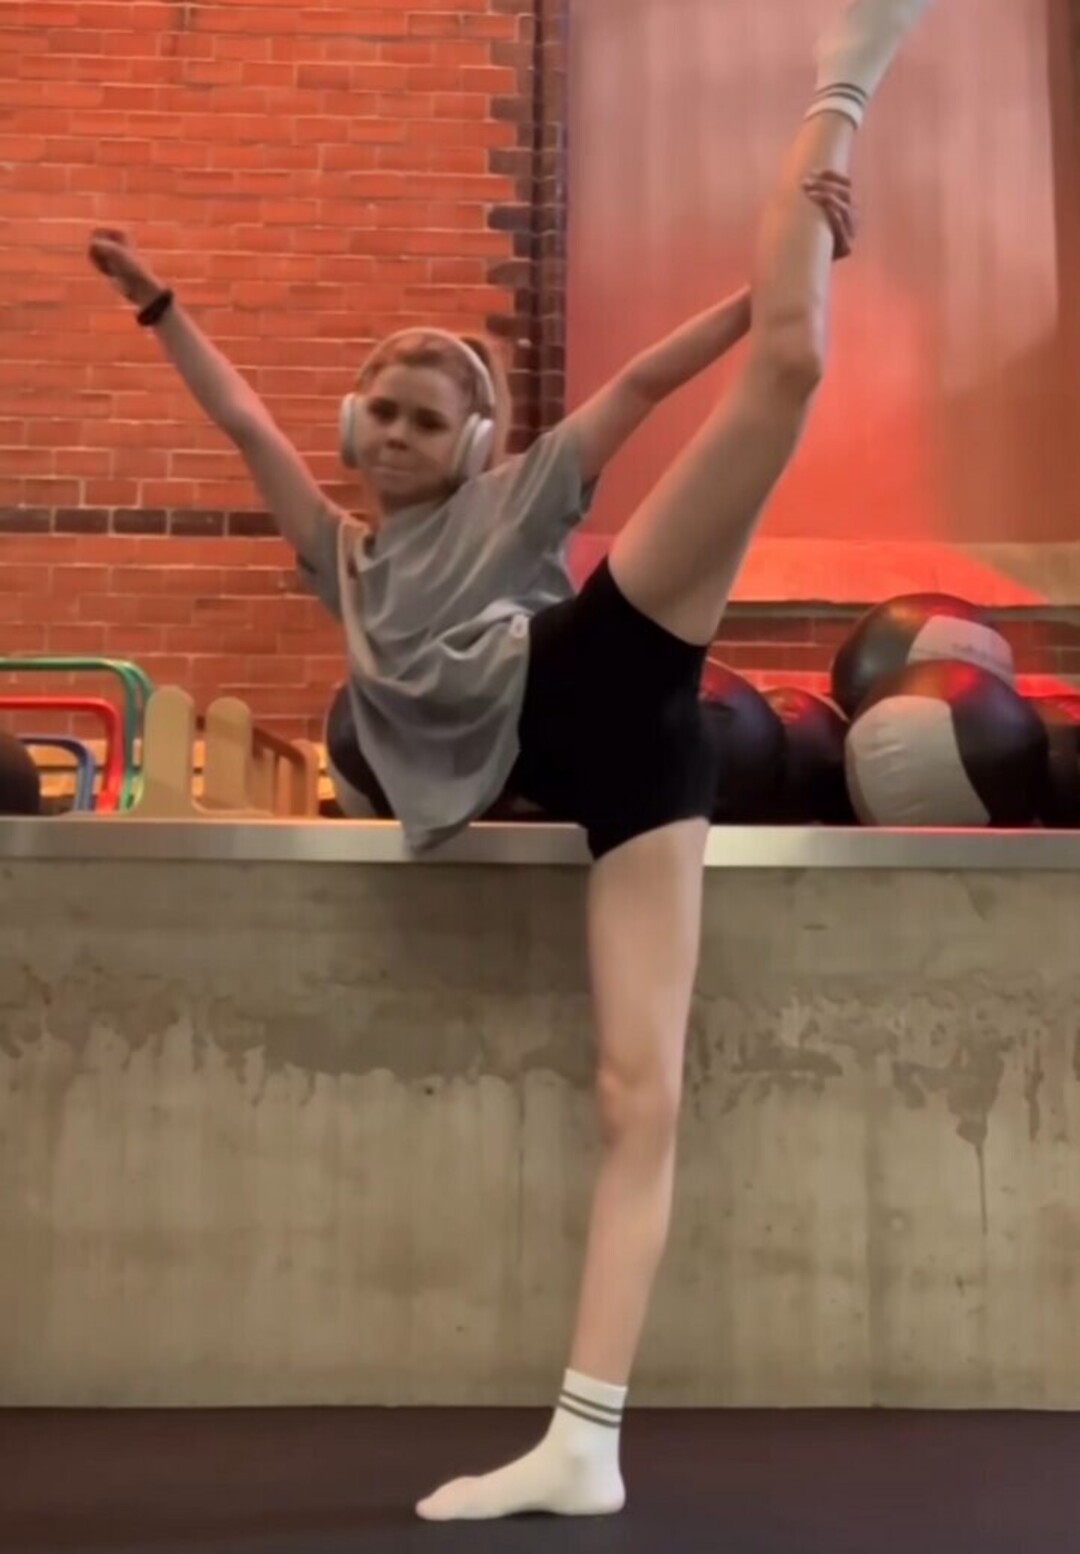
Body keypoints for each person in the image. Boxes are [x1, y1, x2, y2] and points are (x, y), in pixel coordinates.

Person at [88, 0, 932, 1519]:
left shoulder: (522, 489)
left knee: (787, 365)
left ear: (477, 444)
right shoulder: (340, 557)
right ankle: (585, 1444)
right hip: (618, 772)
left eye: (431, 416)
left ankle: (846, 78)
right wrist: (161, 308)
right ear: (355, 425)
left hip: (594, 671)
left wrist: (749, 297)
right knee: (634, 1094)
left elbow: (644, 385)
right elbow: (242, 421)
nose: (401, 431)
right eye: (384, 411)